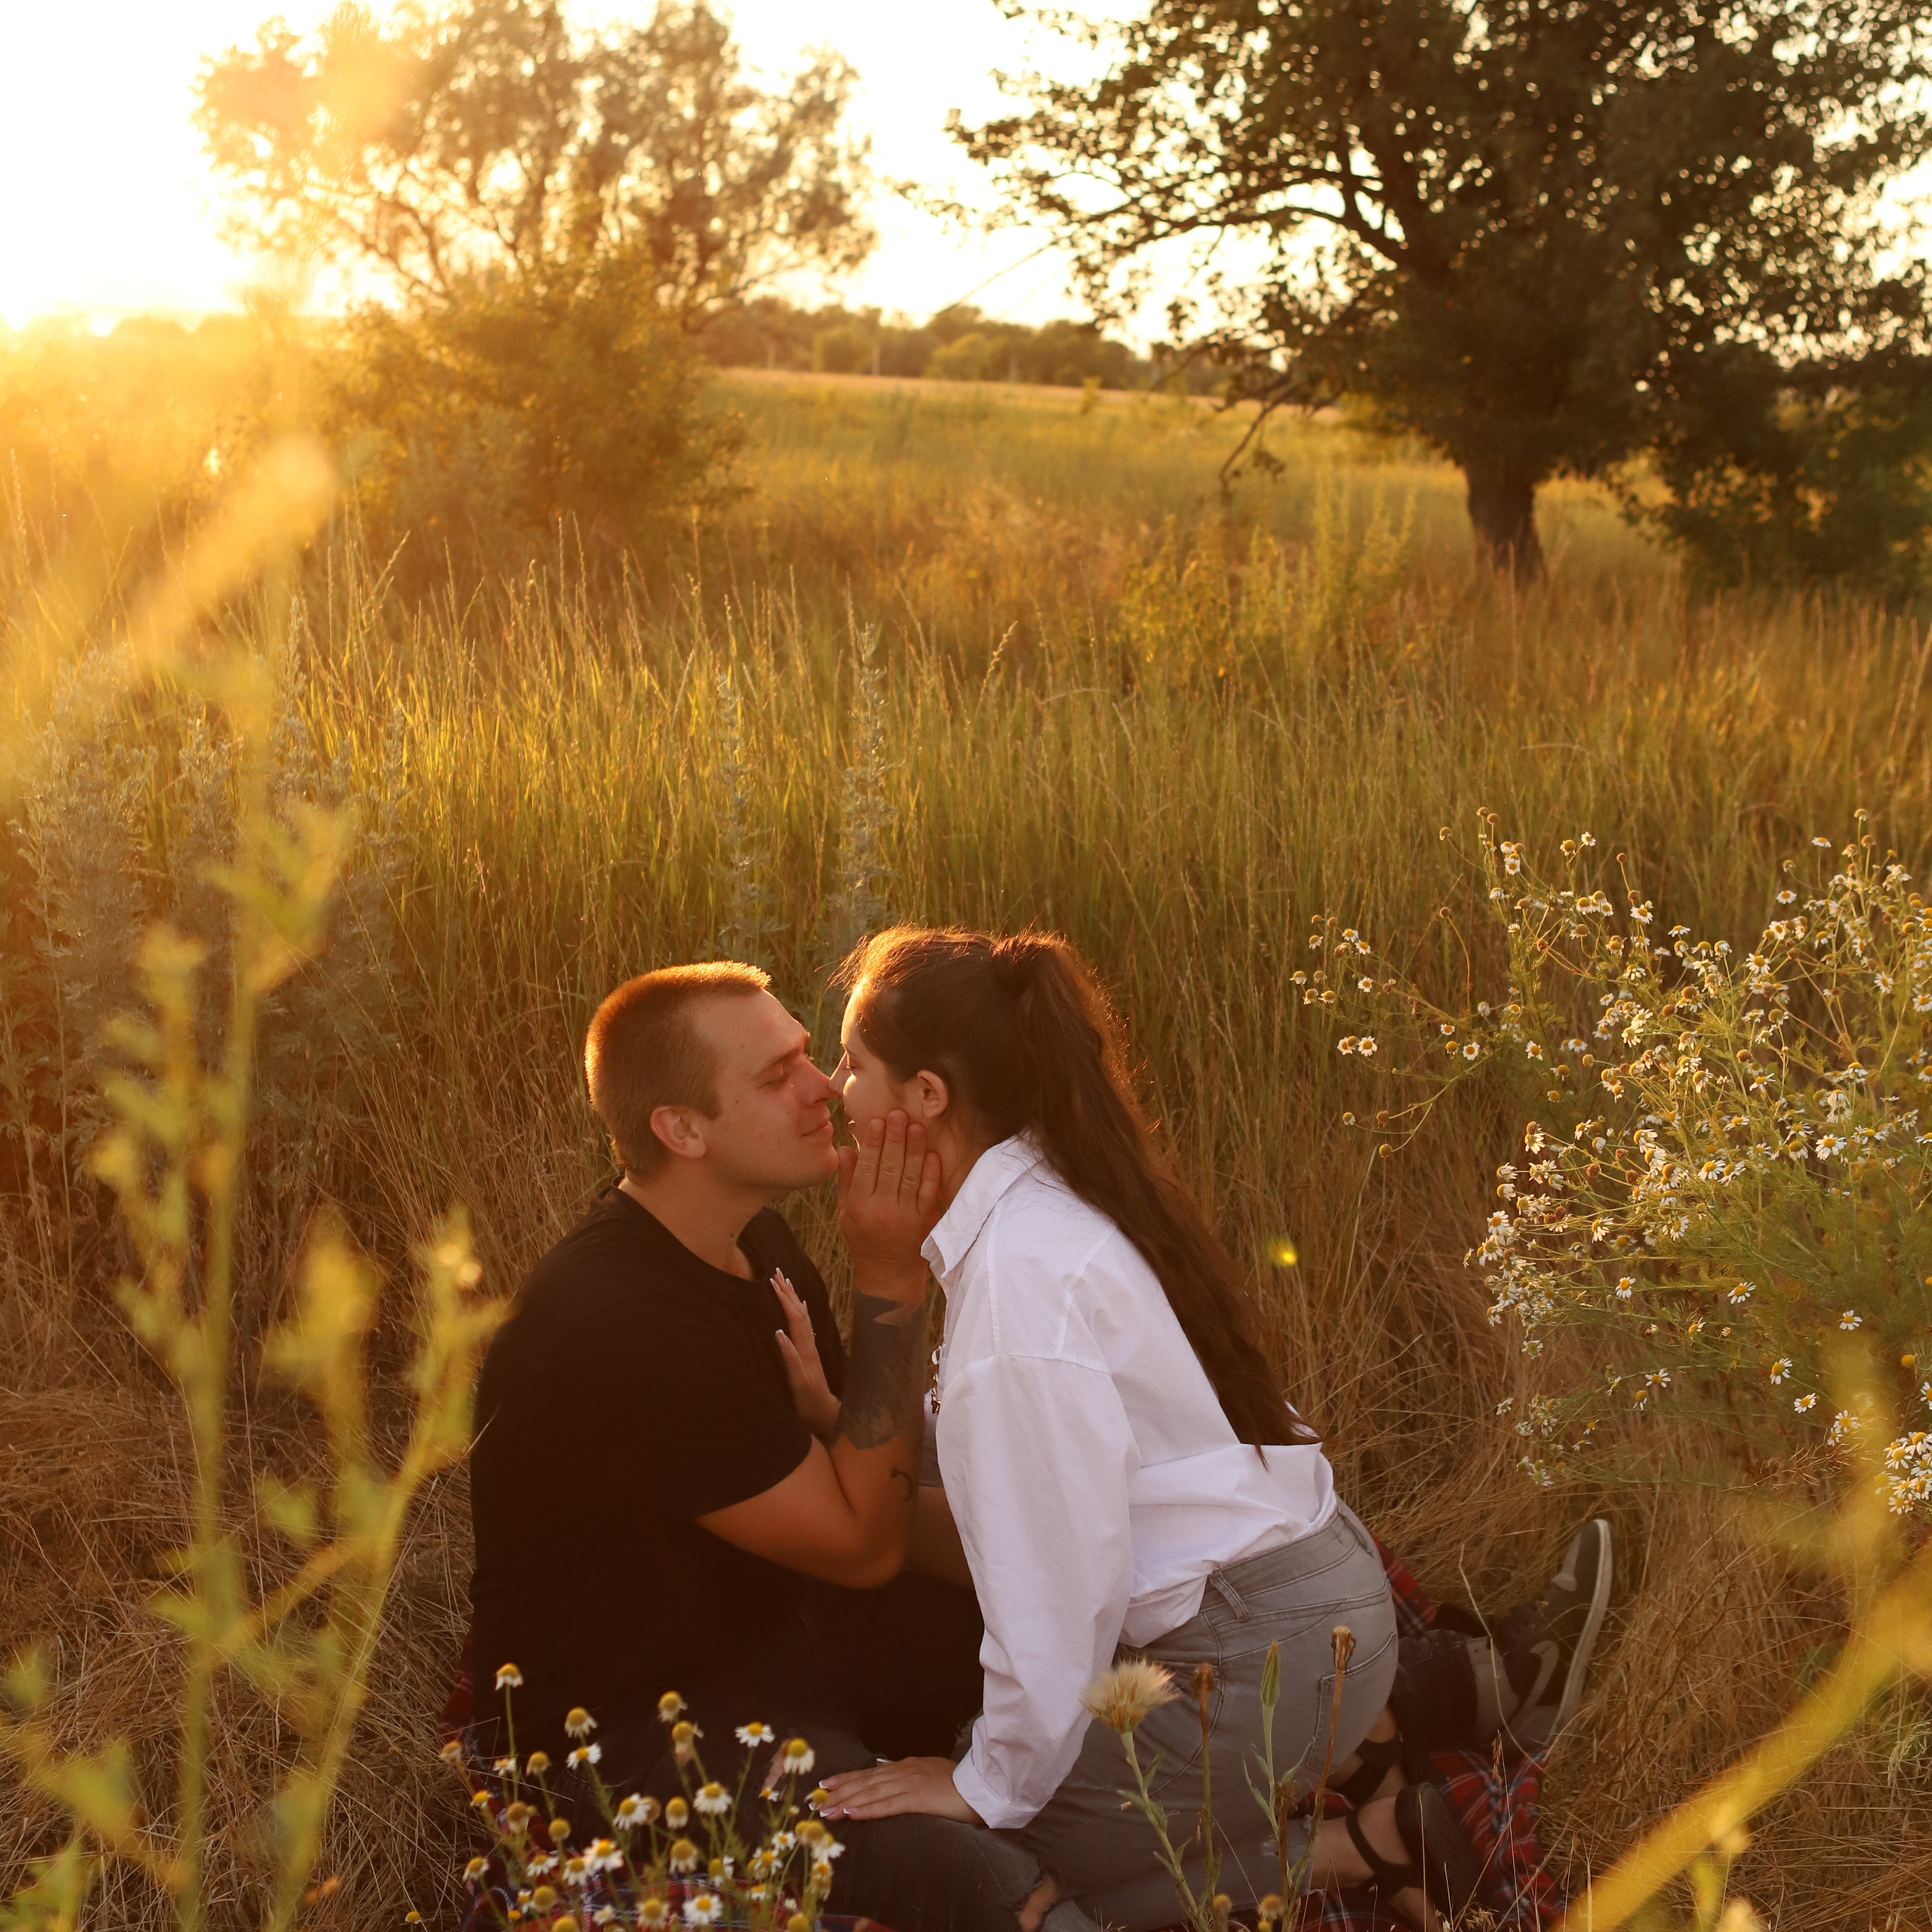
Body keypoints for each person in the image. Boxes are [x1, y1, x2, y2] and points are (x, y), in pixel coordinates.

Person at [813, 927, 1489, 1932]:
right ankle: (1363, 1817)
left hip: (1255, 1665)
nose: (835, 1088)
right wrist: (837, 1415)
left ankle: (1351, 1845)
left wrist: (985, 1784)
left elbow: (1059, 1590)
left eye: (853, 1065)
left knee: (970, 1870)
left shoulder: (1020, 1290)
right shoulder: (1059, 1197)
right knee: (986, 1825)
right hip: (1317, 1621)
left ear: (926, 1098)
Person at [466, 961, 1098, 1932]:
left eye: (809, 1054)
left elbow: (864, 1461)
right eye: (777, 1075)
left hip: (788, 1626)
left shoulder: (755, 1241)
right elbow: (863, 1538)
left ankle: (1378, 1753)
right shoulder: (615, 1323)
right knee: (977, 1883)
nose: (824, 1088)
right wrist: (890, 1276)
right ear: (683, 1129)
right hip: (639, 1728)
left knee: (1097, 1688)